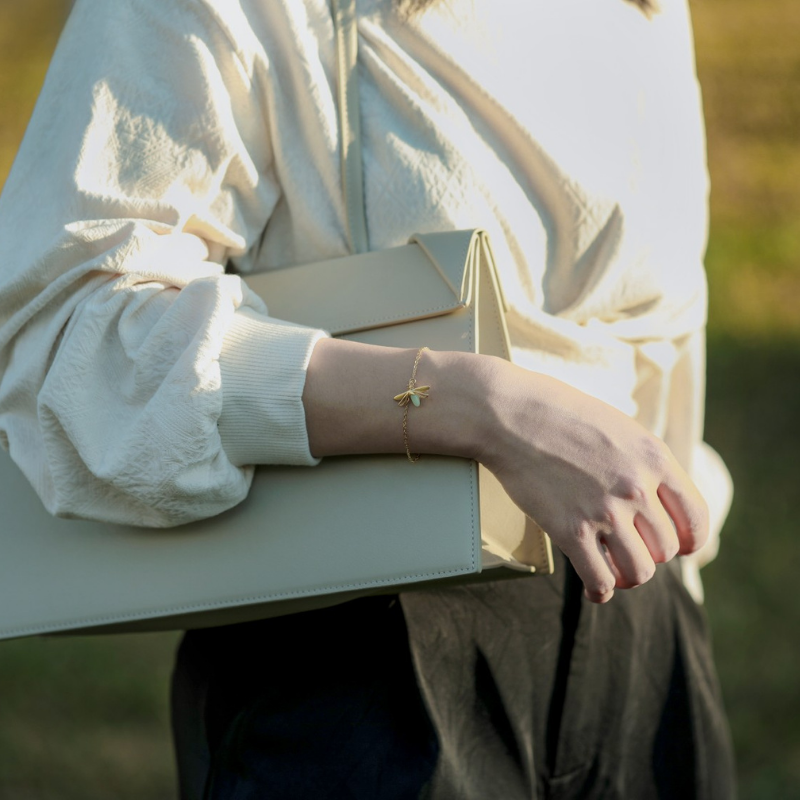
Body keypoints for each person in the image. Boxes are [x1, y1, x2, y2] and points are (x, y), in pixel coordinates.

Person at [0, 0, 736, 797]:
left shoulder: (644, 12)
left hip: (641, 644)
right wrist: (474, 406)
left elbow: (664, 341)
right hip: (369, 644)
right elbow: (67, 335)